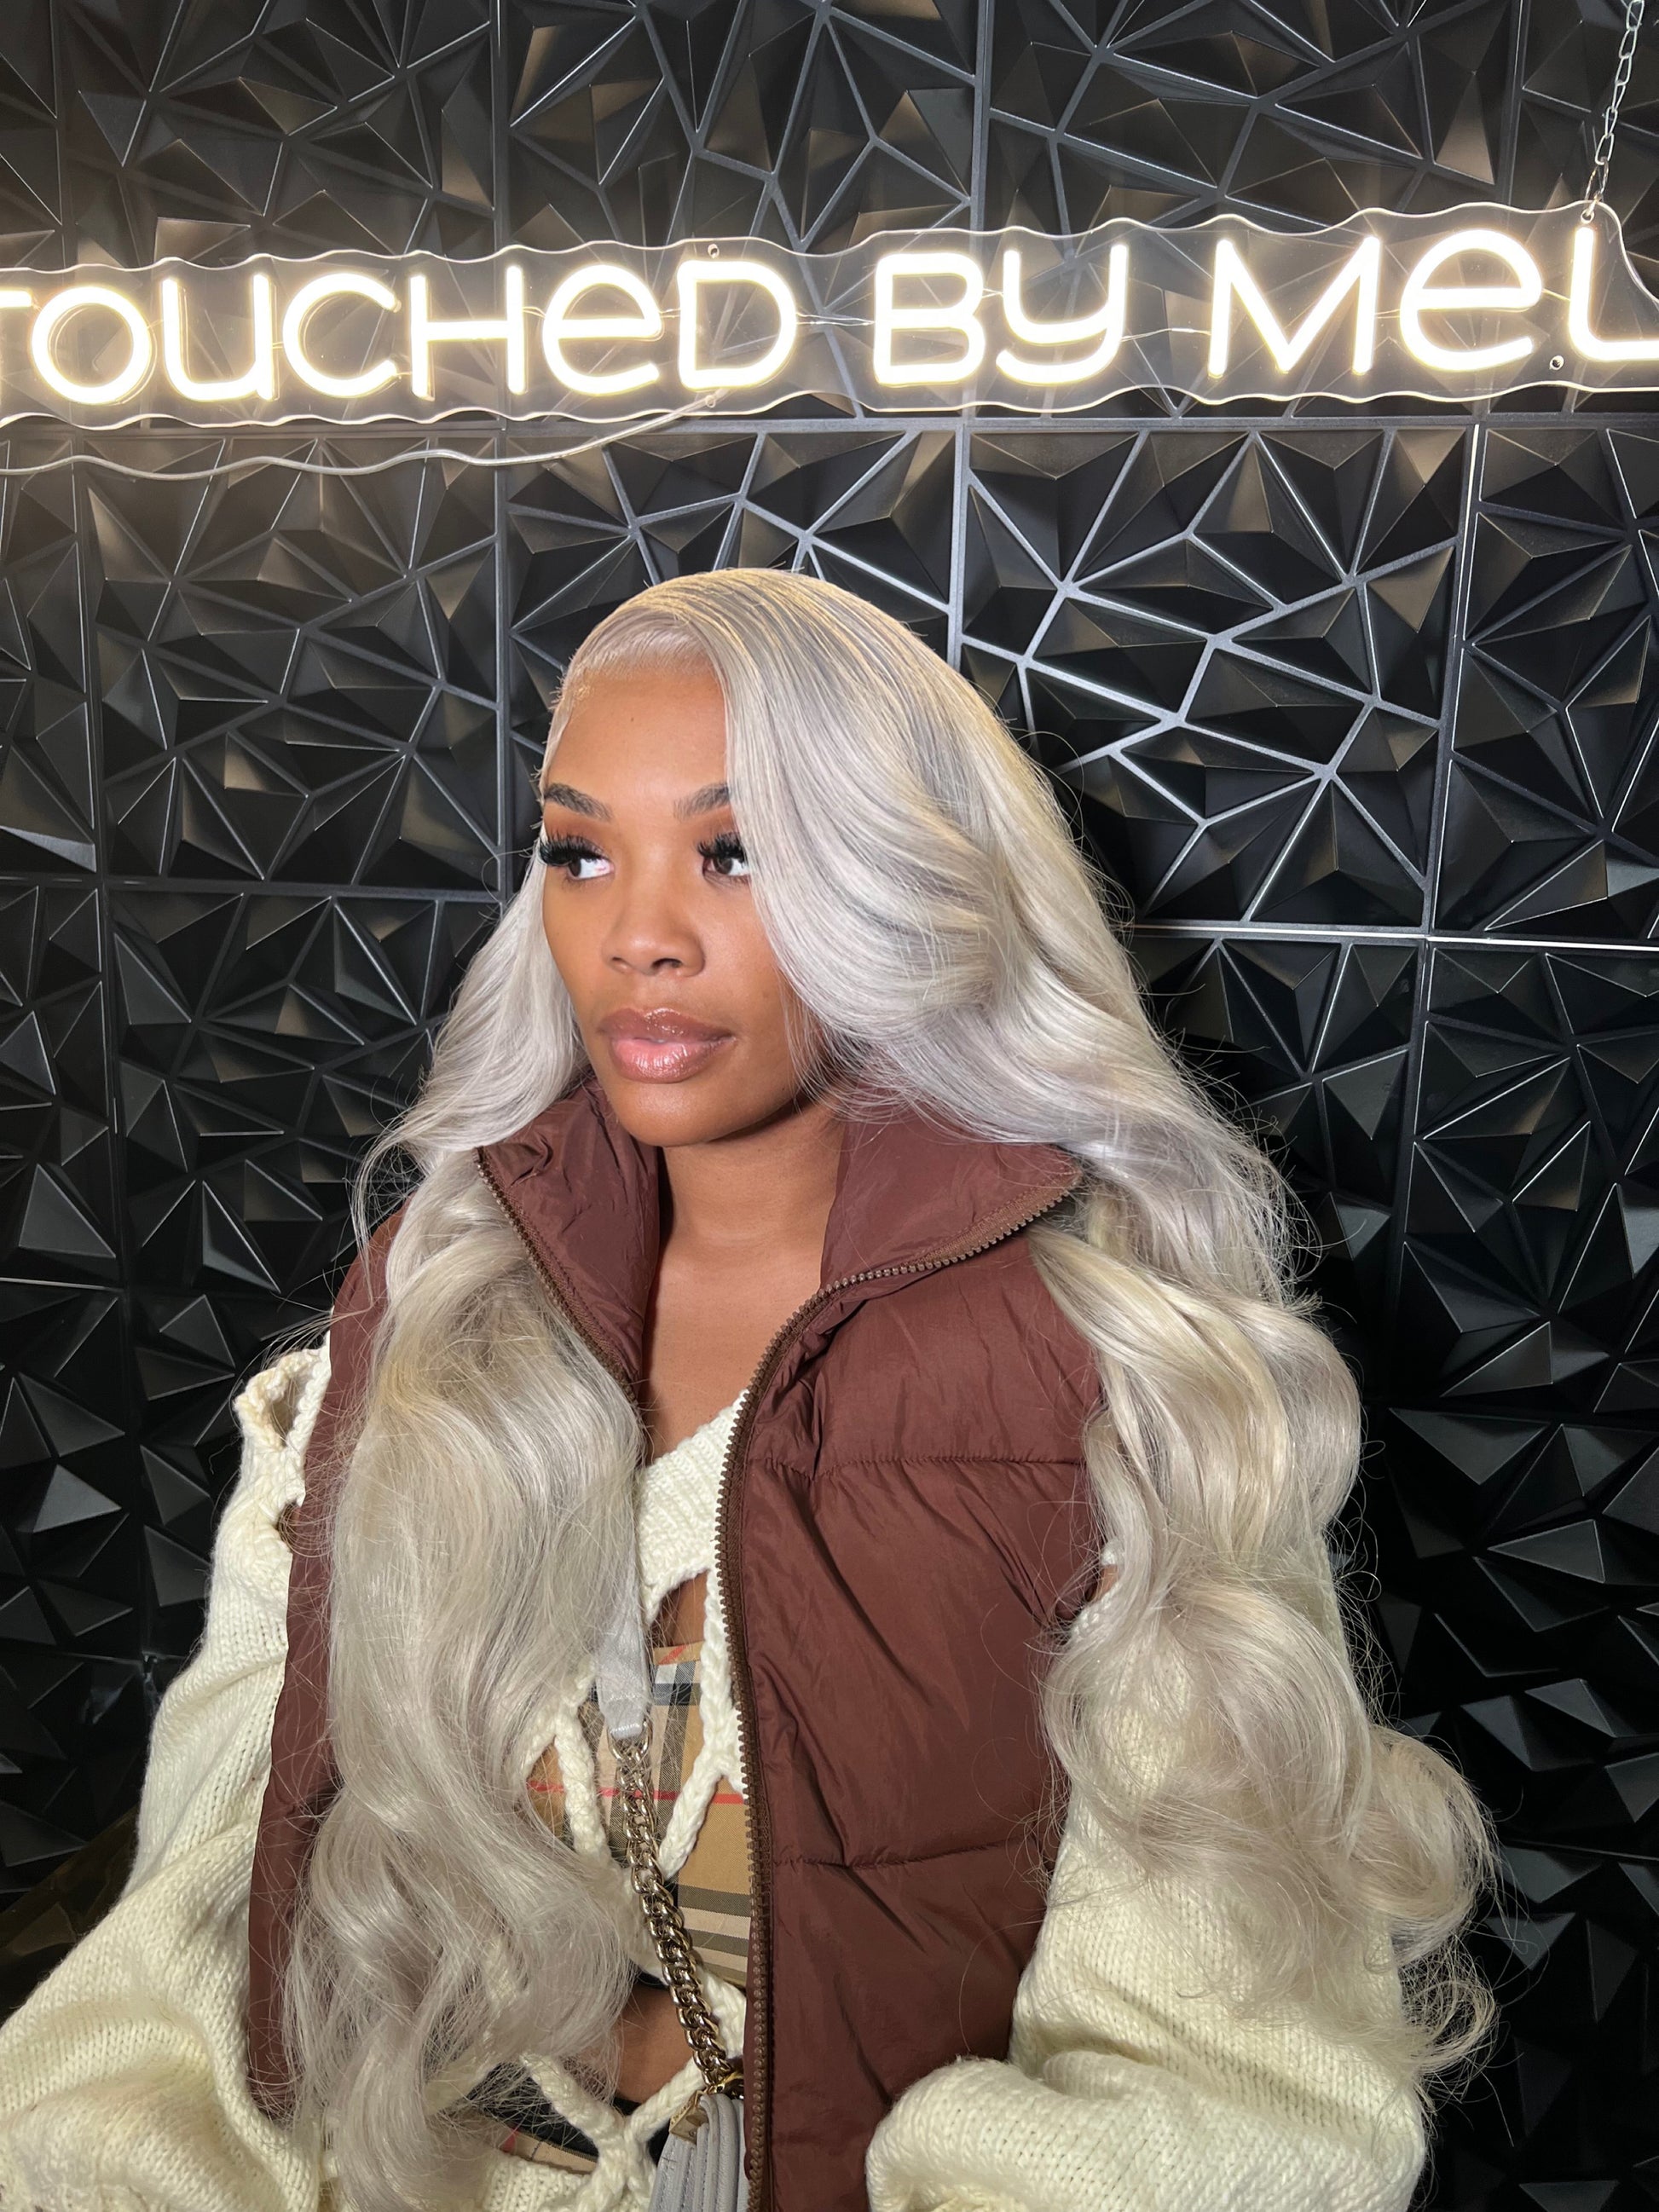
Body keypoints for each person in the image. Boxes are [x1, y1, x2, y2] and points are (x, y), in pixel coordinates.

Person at [0, 569, 1498, 2212]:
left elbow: (1215, 2078)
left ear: (900, 882)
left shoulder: (1121, 1382)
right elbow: (219, 1885)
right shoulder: (425, 1317)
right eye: (578, 853)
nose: (637, 934)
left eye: (735, 852)